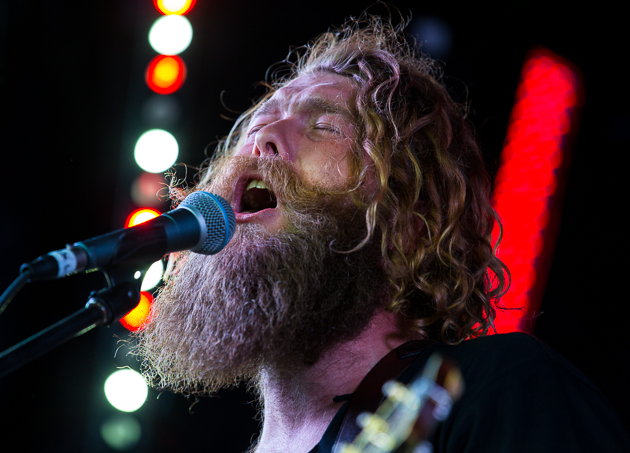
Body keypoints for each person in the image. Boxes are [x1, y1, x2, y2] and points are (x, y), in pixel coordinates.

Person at [132, 15, 630, 453]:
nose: (264, 138)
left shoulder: (498, 390)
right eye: (257, 124)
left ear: (408, 217)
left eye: (324, 126)